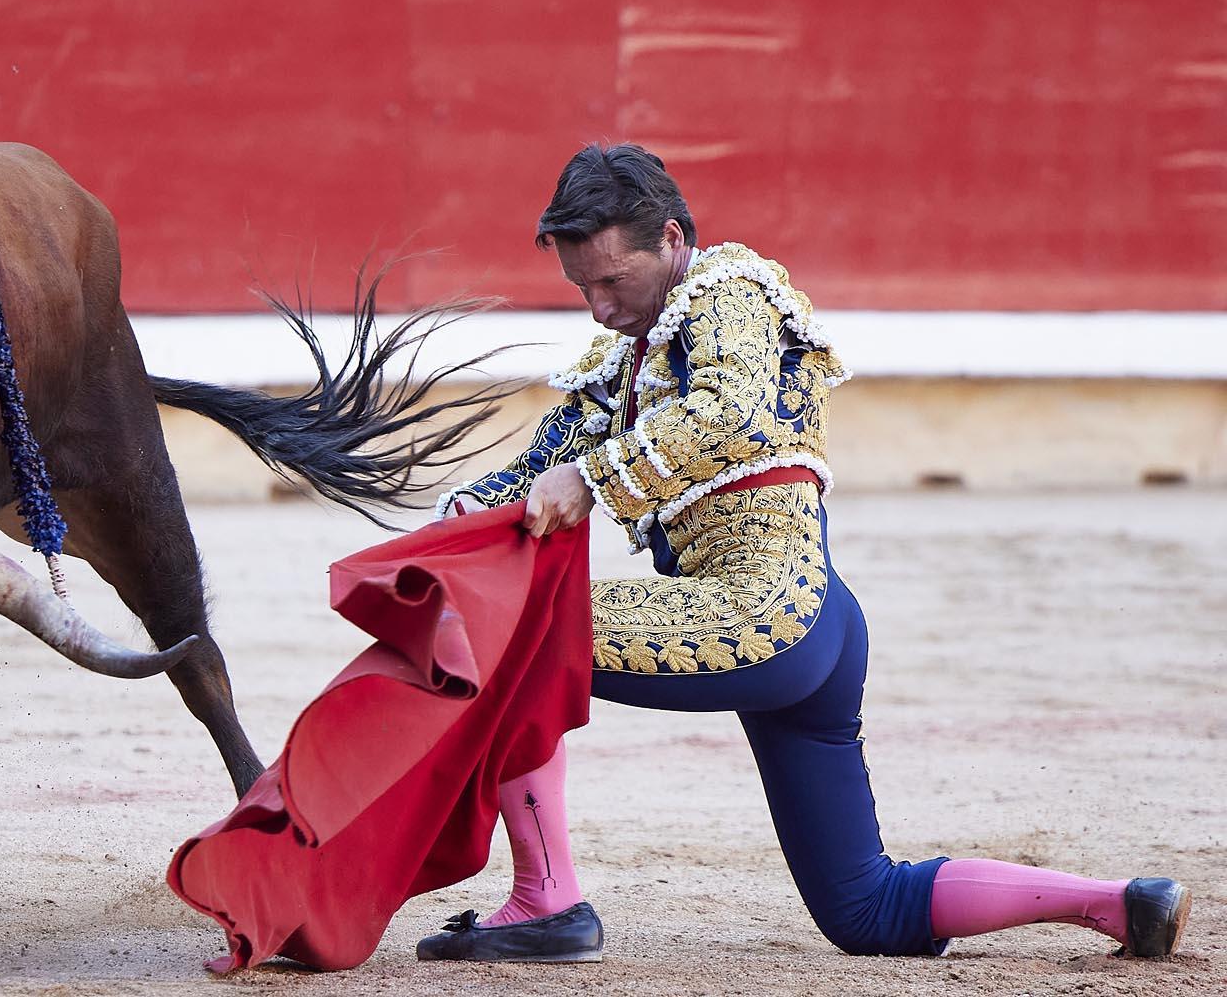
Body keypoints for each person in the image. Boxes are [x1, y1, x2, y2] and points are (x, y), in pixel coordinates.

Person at [416, 143, 1191, 963]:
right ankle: (1119, 903)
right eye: (583, 288)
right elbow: (547, 459)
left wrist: (597, 478)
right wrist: (469, 506)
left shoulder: (729, 292)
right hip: (805, 620)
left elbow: (727, 411)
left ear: (672, 240)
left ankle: (547, 903)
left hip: (759, 609)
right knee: (865, 908)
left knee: (510, 629)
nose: (600, 308)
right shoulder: (633, 356)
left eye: (612, 281)